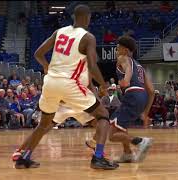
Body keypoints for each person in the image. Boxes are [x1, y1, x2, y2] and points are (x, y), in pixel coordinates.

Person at [11, 5, 118, 170]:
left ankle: (23, 158)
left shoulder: (59, 32)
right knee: (103, 115)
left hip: (50, 82)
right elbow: (92, 64)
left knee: (44, 124)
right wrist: (104, 85)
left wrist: (47, 67)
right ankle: (98, 157)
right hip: (69, 83)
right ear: (87, 18)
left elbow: (38, 54)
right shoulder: (88, 37)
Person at [108, 36, 155, 163]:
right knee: (121, 127)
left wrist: (127, 80)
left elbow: (127, 68)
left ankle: (140, 142)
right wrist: (145, 112)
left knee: (111, 135)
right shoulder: (140, 67)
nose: (117, 51)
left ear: (125, 49)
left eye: (118, 48)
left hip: (132, 95)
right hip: (142, 97)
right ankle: (127, 153)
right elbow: (151, 91)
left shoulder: (123, 58)